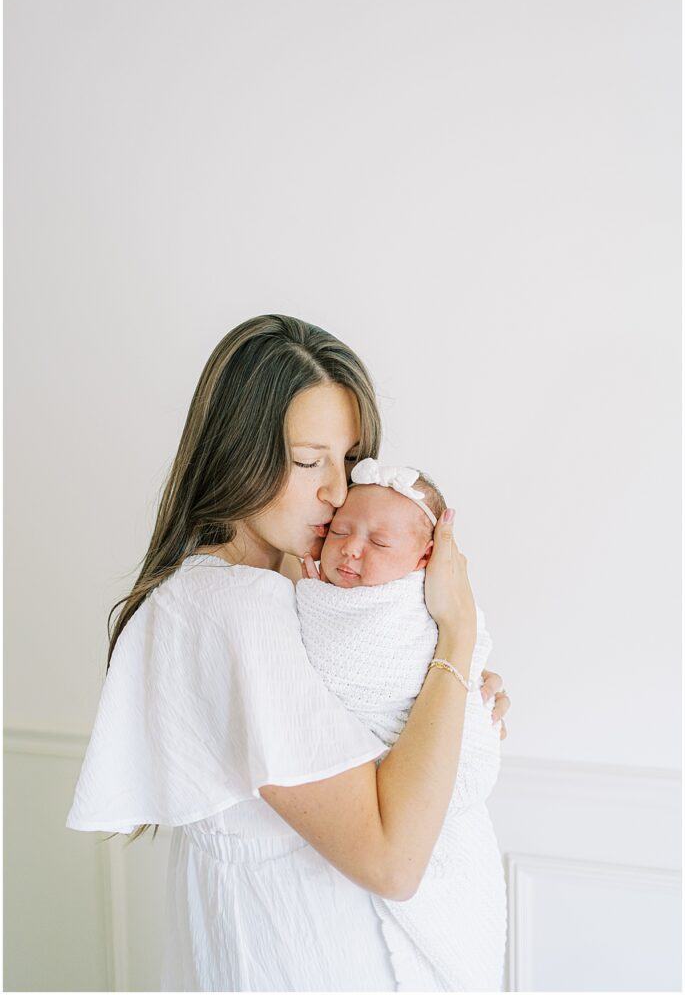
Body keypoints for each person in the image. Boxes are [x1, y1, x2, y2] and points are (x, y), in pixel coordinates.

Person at [66, 314, 512, 992]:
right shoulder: (229, 607)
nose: (336, 491)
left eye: (349, 460)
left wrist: (449, 695)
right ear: (236, 454)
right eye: (308, 461)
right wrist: (455, 637)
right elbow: (393, 863)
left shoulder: (310, 594)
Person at [295, 456, 507, 990]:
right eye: (340, 531)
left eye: (380, 542)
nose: (351, 548)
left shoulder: (419, 609)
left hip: (433, 778)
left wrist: (468, 673)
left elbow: (448, 660)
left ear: (427, 559)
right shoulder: (303, 594)